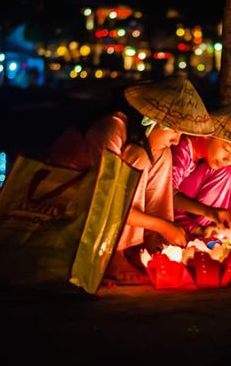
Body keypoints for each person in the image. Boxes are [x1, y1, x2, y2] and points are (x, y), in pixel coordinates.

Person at [48, 76, 217, 282]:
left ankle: (150, 243)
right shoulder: (111, 128)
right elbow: (109, 201)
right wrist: (165, 226)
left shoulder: (142, 140)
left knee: (162, 153)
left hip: (99, 203)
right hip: (65, 201)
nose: (176, 140)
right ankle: (114, 254)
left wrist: (165, 228)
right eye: (173, 130)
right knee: (140, 157)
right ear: (150, 120)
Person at [172, 100, 231, 235]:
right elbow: (166, 194)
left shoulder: (204, 159)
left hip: (188, 210)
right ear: (207, 135)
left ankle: (211, 229)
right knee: (225, 169)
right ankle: (202, 229)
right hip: (168, 210)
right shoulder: (182, 148)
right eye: (226, 149)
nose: (229, 159)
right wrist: (208, 211)